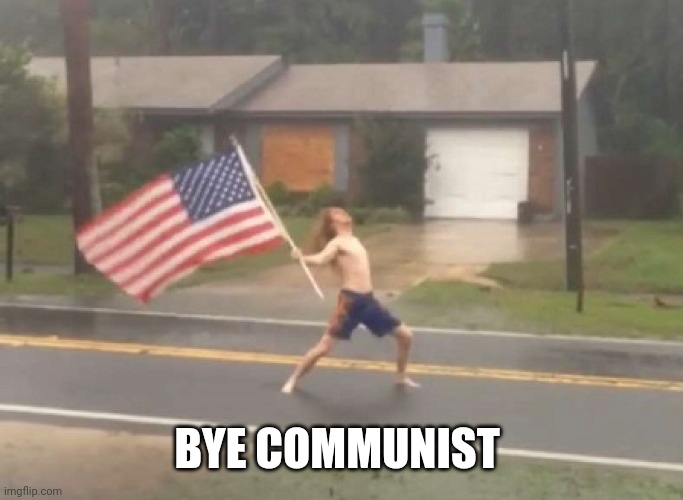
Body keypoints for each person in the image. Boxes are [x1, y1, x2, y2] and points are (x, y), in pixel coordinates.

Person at [281, 206, 419, 394]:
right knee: (324, 348)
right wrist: (302, 258)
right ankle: (293, 380)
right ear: (333, 223)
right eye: (338, 213)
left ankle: (401, 376)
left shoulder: (354, 240)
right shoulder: (337, 243)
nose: (344, 213)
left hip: (369, 302)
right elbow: (321, 259)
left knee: (406, 336)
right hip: (350, 302)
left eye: (343, 211)